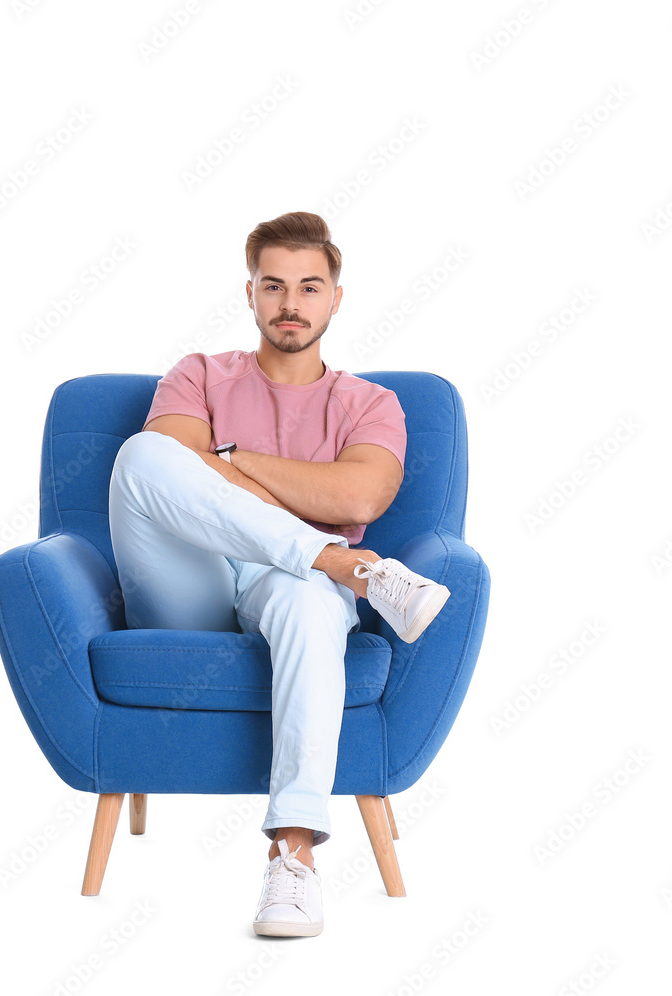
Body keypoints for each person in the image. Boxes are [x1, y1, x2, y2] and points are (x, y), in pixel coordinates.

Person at [107, 211, 449, 937]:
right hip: (188, 580)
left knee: (310, 602)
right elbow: (167, 467)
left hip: (291, 587)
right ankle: (348, 564)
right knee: (140, 457)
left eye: (308, 286)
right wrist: (316, 525)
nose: (290, 303)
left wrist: (231, 463)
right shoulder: (198, 373)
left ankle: (292, 858)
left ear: (335, 298)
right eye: (274, 286)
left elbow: (357, 496)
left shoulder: (369, 403)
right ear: (251, 294)